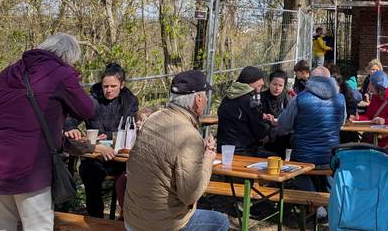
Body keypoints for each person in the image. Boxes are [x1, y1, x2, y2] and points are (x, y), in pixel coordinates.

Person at [0, 33, 95, 230]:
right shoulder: (62, 73)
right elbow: (87, 109)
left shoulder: (8, 72)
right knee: (38, 226)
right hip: (31, 166)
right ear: (68, 57)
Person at [124, 70, 229, 231]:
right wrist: (208, 157)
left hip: (133, 219)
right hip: (160, 225)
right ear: (198, 99)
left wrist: (197, 149)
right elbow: (190, 195)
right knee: (221, 222)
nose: (206, 100)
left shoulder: (153, 119)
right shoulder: (188, 136)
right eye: (205, 96)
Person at [64, 62, 139, 218]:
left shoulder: (130, 101)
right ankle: (95, 219)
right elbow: (69, 118)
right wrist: (71, 128)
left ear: (122, 85)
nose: (109, 90)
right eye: (105, 86)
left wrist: (110, 136)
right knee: (88, 171)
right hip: (96, 156)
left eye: (113, 86)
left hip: (122, 157)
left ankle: (126, 218)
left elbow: (131, 128)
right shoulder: (91, 100)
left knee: (132, 177)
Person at [273, 67, 345, 192]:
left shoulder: (299, 99)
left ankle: (314, 204)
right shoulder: (340, 99)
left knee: (299, 172)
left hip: (303, 156)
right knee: (327, 173)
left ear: (311, 79)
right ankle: (330, 200)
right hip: (330, 156)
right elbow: (341, 123)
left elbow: (283, 125)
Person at [217, 66, 272, 156]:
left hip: (223, 149)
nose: (262, 82)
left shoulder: (227, 97)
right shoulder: (251, 101)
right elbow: (259, 132)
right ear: (251, 81)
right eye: (260, 80)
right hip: (243, 150)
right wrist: (269, 126)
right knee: (276, 157)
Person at [357, 70, 388, 158]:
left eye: (371, 84)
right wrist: (357, 118)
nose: (369, 87)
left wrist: (384, 121)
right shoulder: (376, 98)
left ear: (379, 87)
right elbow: (369, 117)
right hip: (375, 140)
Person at [262, 69, 291, 157]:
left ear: (284, 86)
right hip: (265, 135)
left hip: (281, 134)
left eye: (280, 85)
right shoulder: (261, 97)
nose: (277, 88)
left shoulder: (286, 97)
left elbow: (290, 116)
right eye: (274, 84)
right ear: (269, 83)